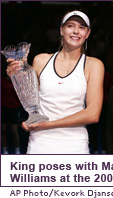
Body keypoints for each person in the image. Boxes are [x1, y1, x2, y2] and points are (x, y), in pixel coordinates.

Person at [6, 10, 104, 154]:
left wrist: (48, 125)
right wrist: (16, 77)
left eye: (82, 27)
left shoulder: (94, 65)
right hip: (40, 143)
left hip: (75, 145)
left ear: (87, 34)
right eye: (70, 26)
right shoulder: (41, 60)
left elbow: (93, 114)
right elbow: (30, 100)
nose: (76, 31)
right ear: (61, 30)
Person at [1, 71, 22, 154]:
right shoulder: (2, 81)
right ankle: (5, 150)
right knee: (3, 129)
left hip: (14, 108)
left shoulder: (17, 81)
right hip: (3, 108)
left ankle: (18, 150)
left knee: (14, 131)